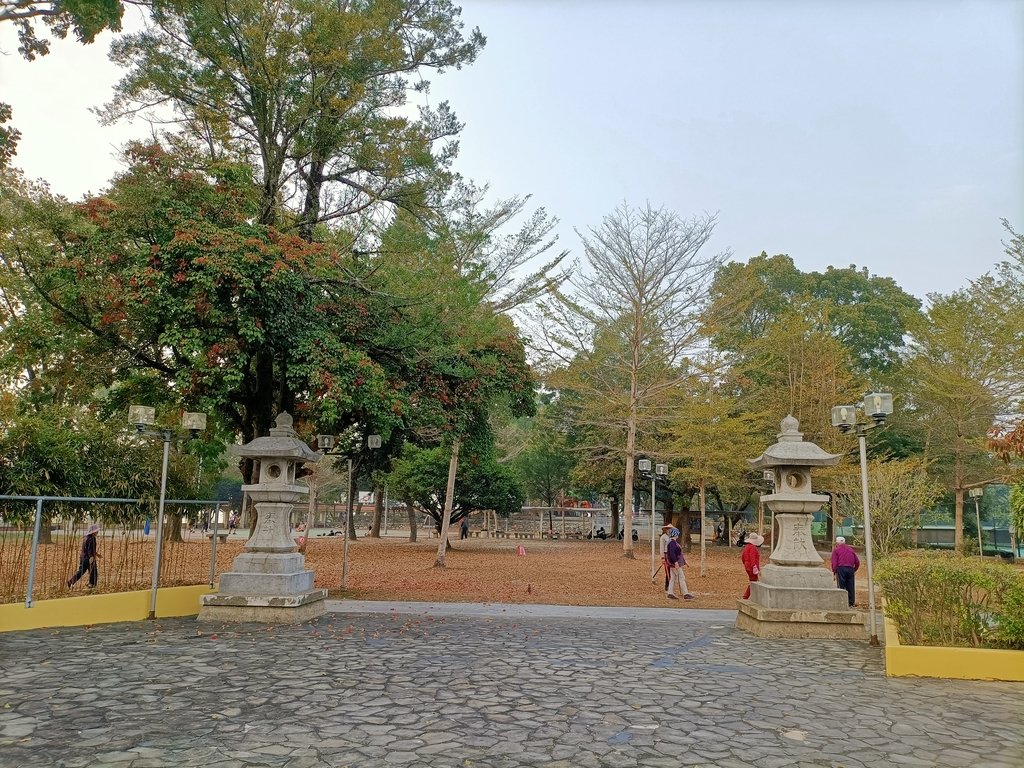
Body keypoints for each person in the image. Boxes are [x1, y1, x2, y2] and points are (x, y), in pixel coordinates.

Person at [67, 523, 101, 589]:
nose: (97, 532)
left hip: (83, 558)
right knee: (93, 571)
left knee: (81, 571)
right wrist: (91, 557)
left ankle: (71, 581)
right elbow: (90, 550)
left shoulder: (86, 538)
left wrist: (97, 554)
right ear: (93, 532)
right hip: (89, 558)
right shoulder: (92, 538)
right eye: (96, 531)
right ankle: (92, 584)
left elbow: (88, 548)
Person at [831, 536, 861, 608]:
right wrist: (854, 570)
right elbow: (857, 561)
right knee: (850, 586)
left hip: (841, 568)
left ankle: (841, 602)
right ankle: (851, 603)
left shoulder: (836, 550)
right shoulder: (851, 549)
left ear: (837, 543)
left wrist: (834, 571)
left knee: (841, 586)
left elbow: (834, 562)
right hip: (850, 569)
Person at [665, 528, 695, 600]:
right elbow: (672, 554)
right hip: (675, 563)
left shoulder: (672, 542)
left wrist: (684, 561)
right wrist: (675, 562)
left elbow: (678, 554)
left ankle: (670, 593)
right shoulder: (672, 543)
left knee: (673, 578)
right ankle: (685, 594)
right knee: (681, 577)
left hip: (674, 563)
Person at [741, 532, 764, 600]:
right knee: (753, 582)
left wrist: (746, 564)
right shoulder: (753, 548)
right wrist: (754, 567)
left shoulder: (747, 547)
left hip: (747, 566)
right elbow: (752, 558)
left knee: (753, 581)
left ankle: (751, 596)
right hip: (752, 567)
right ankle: (746, 596)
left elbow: (743, 557)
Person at [659, 523, 674, 590]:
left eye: (671, 529)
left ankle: (671, 585)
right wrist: (662, 557)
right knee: (667, 570)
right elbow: (662, 548)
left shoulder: (673, 537)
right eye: (668, 529)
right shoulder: (663, 537)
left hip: (672, 555)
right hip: (666, 555)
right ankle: (667, 586)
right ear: (666, 530)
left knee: (673, 571)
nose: (669, 530)